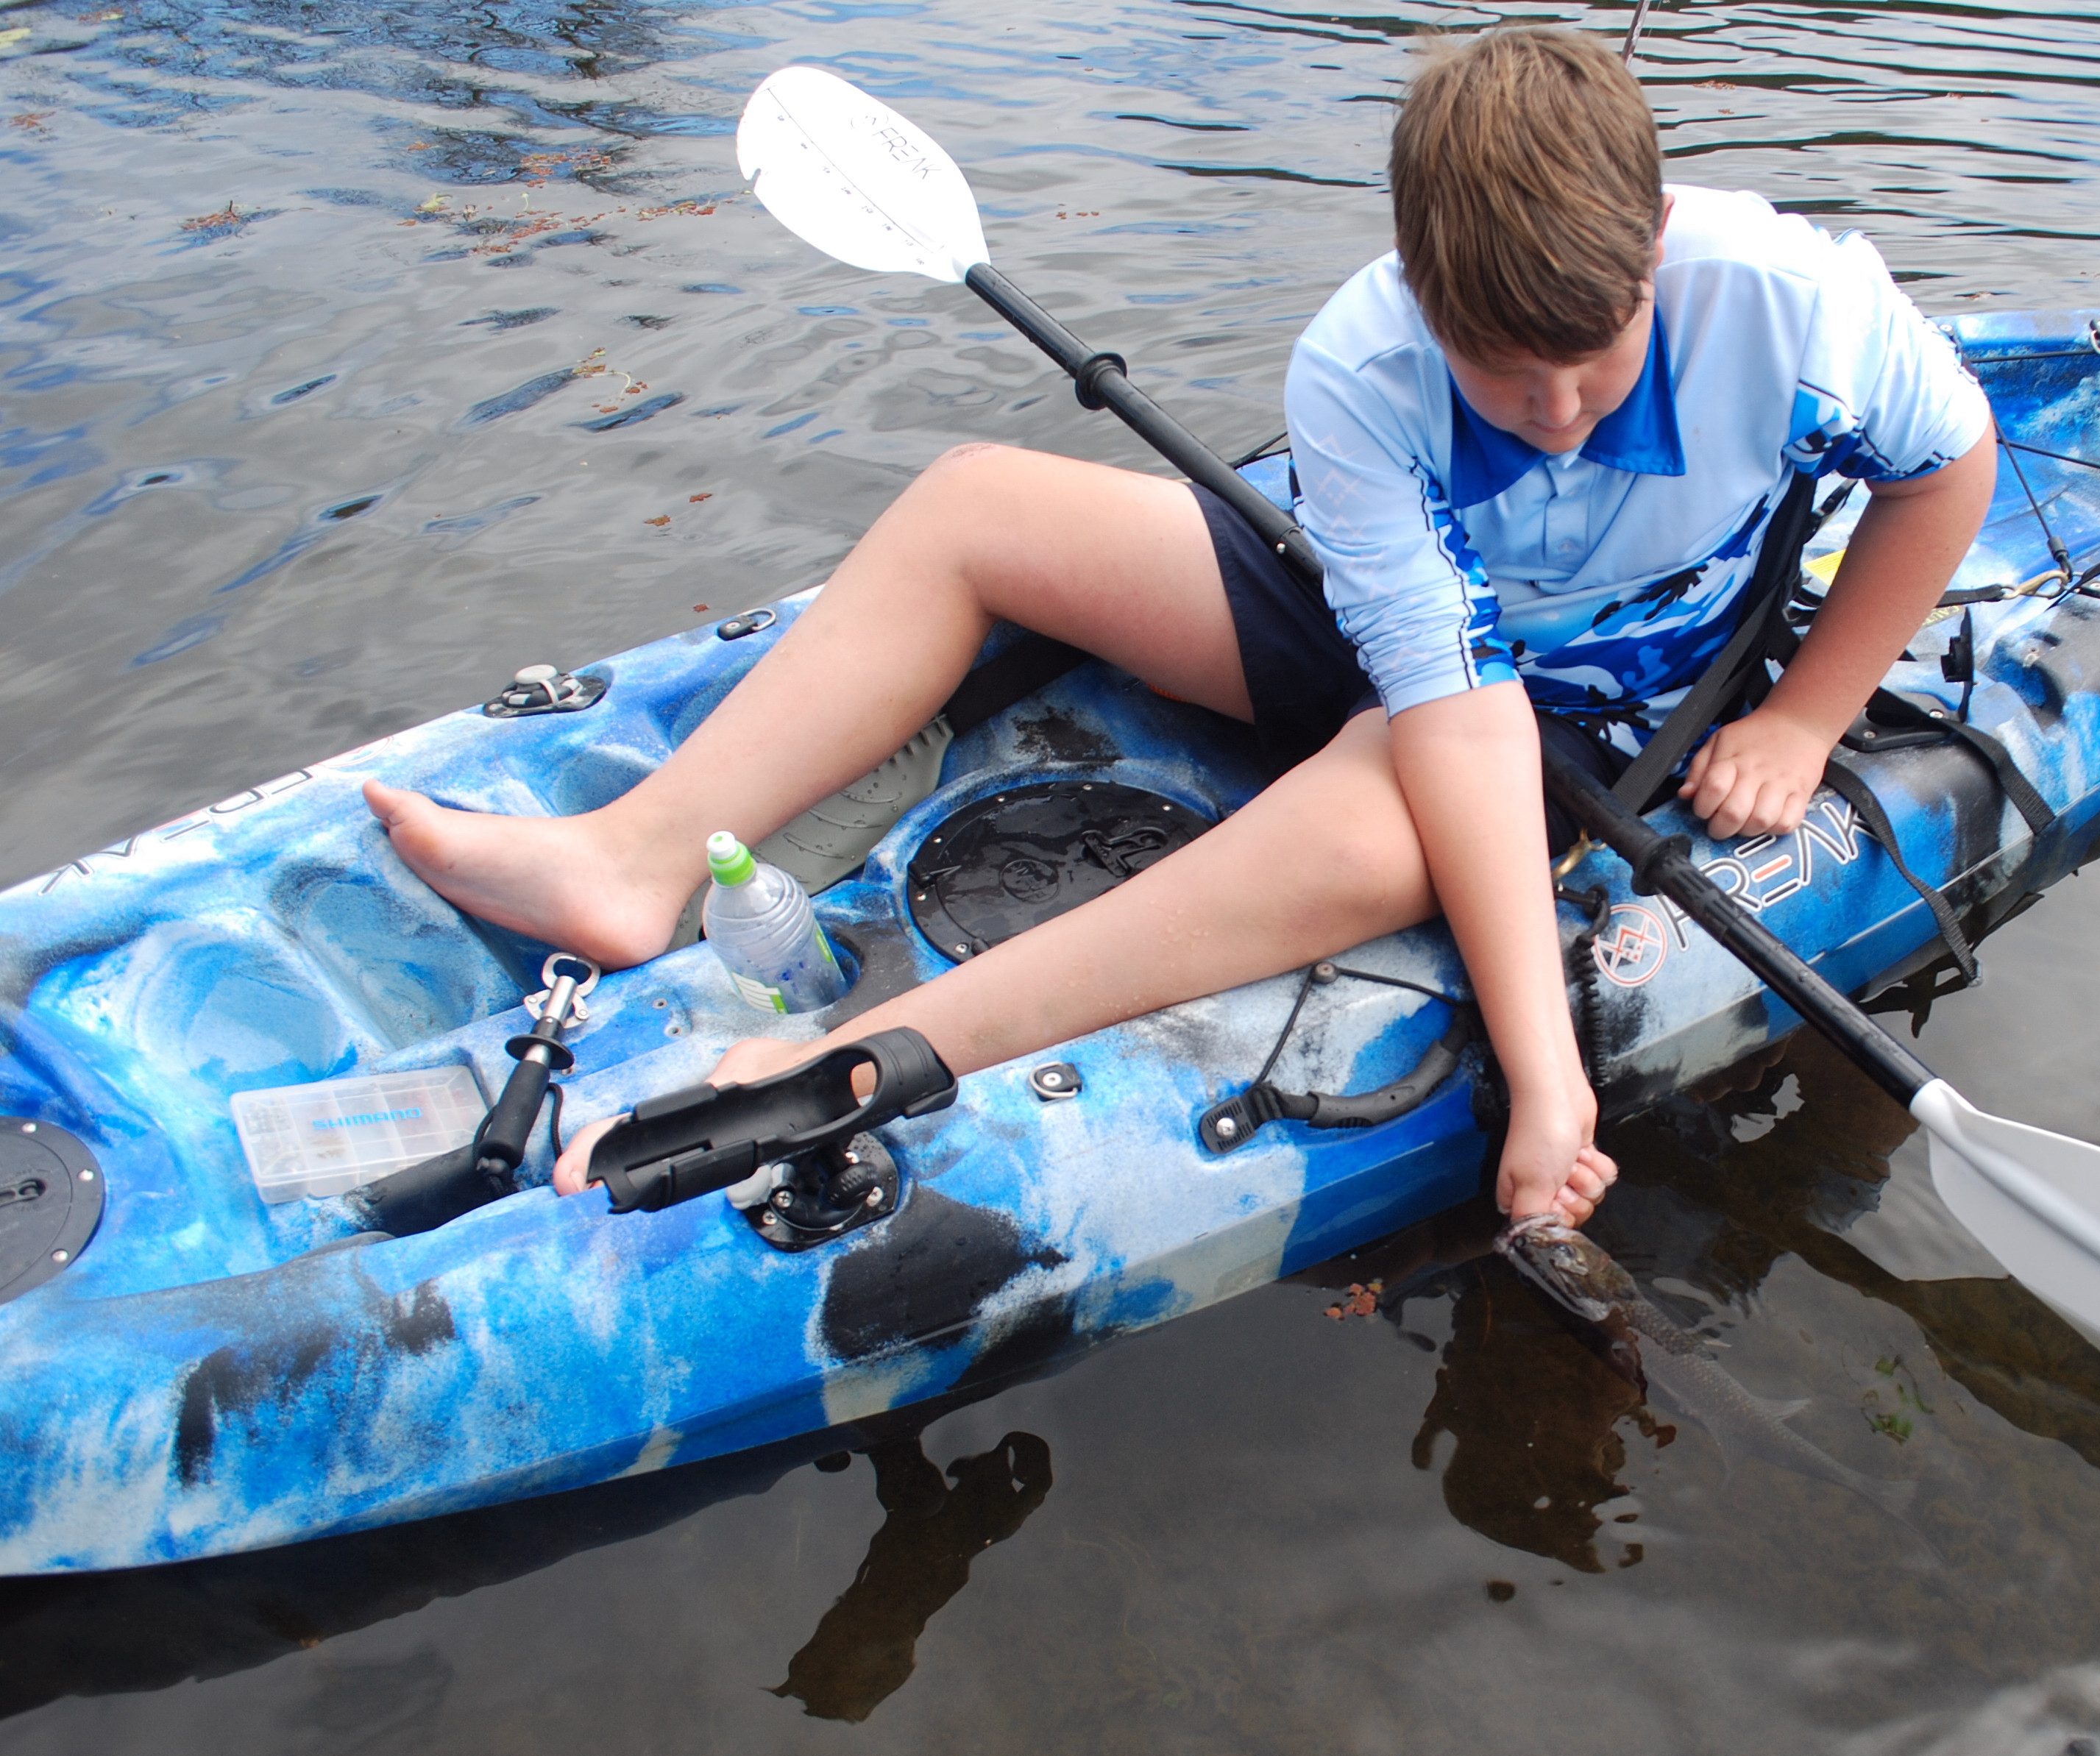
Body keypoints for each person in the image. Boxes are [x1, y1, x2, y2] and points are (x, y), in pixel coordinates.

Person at [361, 26, 1995, 1229]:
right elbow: (1451, 702)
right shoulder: (1360, 367)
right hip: (1423, 652)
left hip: (1617, 684)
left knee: (1370, 817)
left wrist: (1801, 718)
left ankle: (864, 1050)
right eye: (1510, 378)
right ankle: (636, 857)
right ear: (1424, 292)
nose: (1560, 417)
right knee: (979, 503)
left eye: (1600, 359)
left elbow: (1946, 468)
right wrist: (1547, 1070)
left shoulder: (1799, 304)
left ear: (1651, 252)